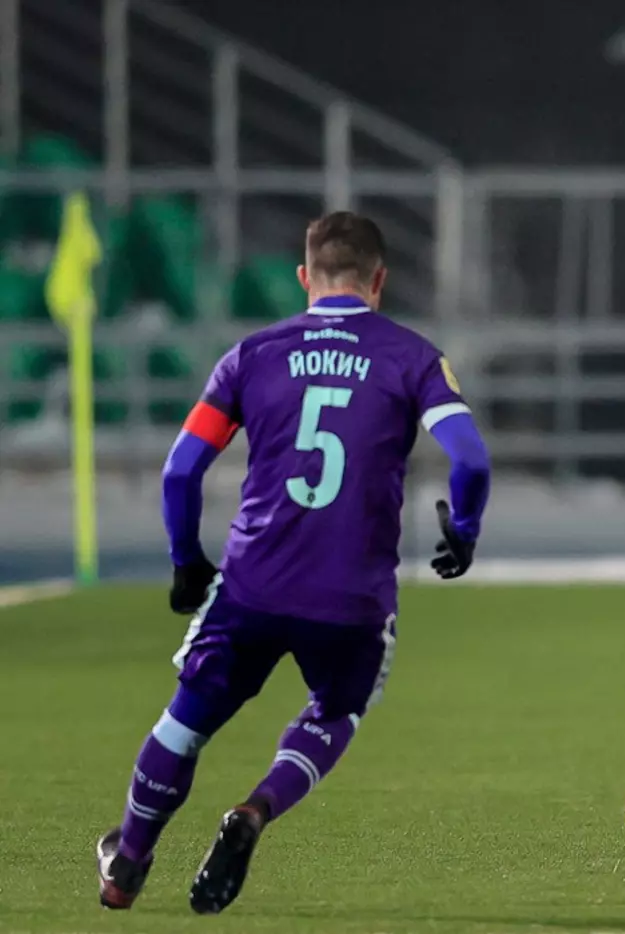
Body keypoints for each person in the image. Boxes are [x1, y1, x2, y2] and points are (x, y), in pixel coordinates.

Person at [95, 212, 491, 914]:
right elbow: (470, 459)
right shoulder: (412, 358)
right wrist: (461, 530)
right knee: (336, 711)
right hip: (353, 594)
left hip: (253, 582)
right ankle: (254, 811)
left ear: (306, 277)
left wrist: (186, 561)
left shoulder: (251, 356)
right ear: (379, 280)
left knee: (184, 724)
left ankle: (126, 863)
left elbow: (181, 470)